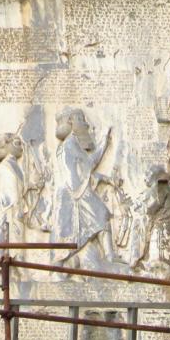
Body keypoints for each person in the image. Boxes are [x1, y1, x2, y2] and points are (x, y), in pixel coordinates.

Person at [52, 108, 115, 269]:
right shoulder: (70, 144)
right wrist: (104, 141)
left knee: (94, 220)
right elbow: (86, 166)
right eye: (81, 119)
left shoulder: (69, 144)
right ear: (71, 122)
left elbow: (85, 166)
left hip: (73, 191)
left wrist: (104, 143)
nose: (86, 124)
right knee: (101, 215)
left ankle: (108, 256)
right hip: (76, 192)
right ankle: (109, 256)